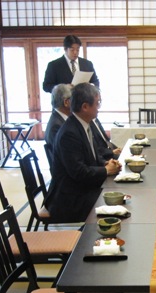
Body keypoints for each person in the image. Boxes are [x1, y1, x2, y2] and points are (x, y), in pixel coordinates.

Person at [44, 83, 121, 223]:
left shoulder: (82, 124)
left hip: (82, 188)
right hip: (70, 198)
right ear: (85, 107)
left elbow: (92, 157)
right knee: (115, 201)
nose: (99, 108)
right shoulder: (69, 133)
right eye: (97, 103)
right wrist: (105, 170)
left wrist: (106, 163)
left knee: (118, 192)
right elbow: (78, 172)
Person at [44, 83, 72, 171]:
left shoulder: (59, 119)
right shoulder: (56, 126)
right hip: (65, 174)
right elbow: (68, 157)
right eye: (74, 99)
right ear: (66, 102)